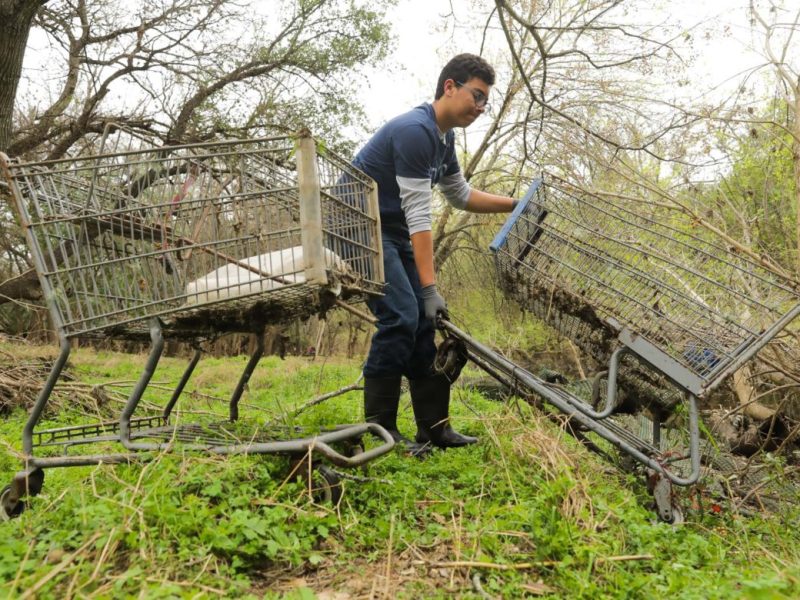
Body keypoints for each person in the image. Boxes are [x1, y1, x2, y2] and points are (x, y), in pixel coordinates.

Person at [353, 53, 516, 453]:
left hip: (390, 230)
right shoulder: (415, 131)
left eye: (485, 102)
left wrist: (514, 204)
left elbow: (459, 194)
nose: (480, 108)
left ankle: (434, 428)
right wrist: (429, 286)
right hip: (357, 228)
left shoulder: (445, 138)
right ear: (449, 87)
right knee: (401, 315)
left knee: (426, 323)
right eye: (476, 96)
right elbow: (418, 214)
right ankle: (382, 431)